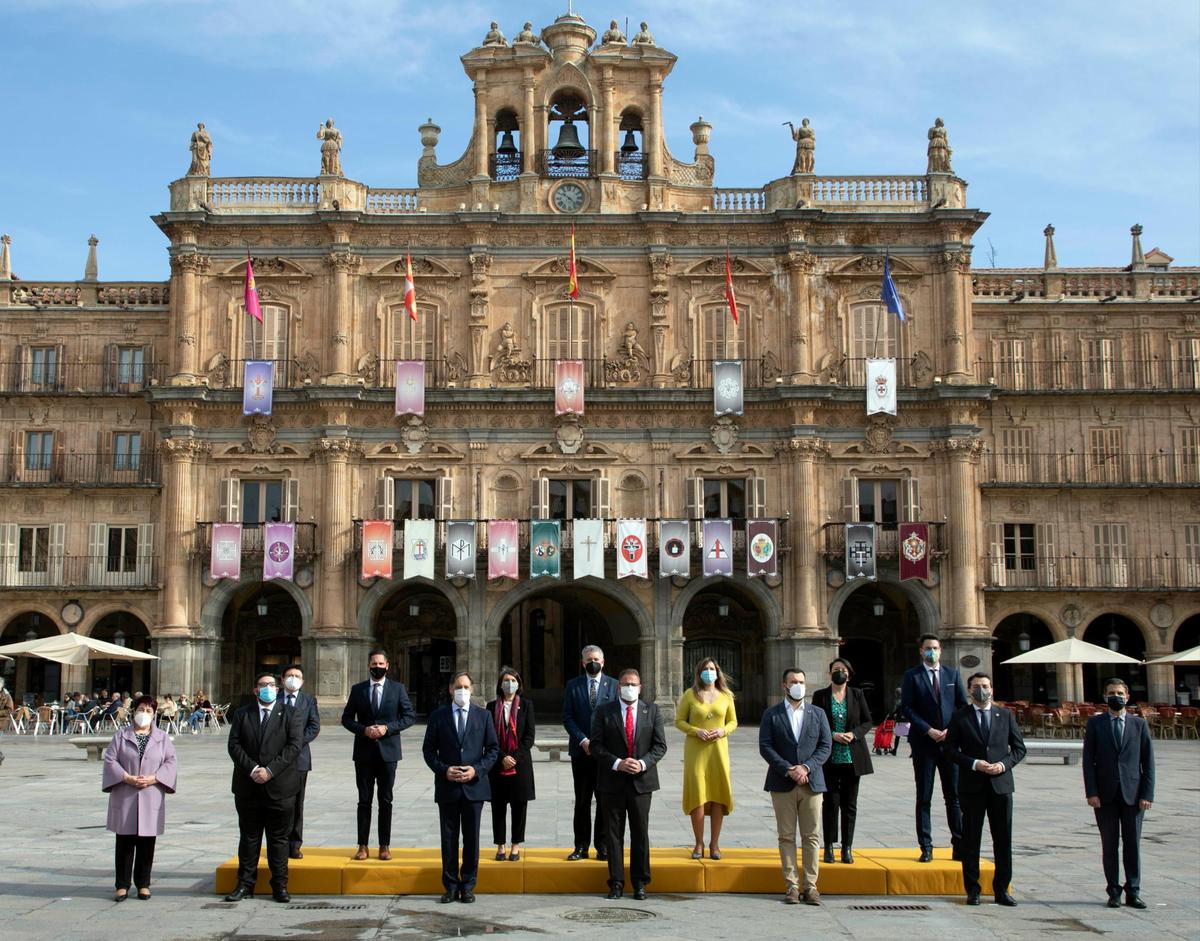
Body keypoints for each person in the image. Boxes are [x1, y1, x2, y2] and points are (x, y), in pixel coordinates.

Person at [945, 672, 1026, 906]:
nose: (982, 689)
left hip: (1001, 786)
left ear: (992, 689)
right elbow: (950, 750)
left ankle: (1001, 889)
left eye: (985, 685)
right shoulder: (960, 717)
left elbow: (1019, 749)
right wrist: (973, 763)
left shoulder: (1005, 715)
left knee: (1003, 839)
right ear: (969, 691)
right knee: (971, 840)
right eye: (977, 686)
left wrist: (1003, 765)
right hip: (972, 785)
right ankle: (973, 889)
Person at [224, 673, 305, 904]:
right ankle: (244, 884)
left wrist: (270, 771)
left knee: (279, 839)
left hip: (280, 787)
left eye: (271, 684)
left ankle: (279, 885)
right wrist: (253, 769)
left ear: (278, 689)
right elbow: (234, 745)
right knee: (249, 837)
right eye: (262, 685)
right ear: (255, 690)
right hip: (247, 786)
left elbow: (294, 746)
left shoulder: (291, 714)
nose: (267, 688)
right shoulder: (242, 714)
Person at [589, 668, 667, 901]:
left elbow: (660, 746)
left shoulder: (651, 711)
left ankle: (640, 882)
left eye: (633, 684)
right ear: (618, 687)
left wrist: (642, 764)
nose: (629, 688)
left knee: (640, 833)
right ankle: (616, 882)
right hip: (612, 782)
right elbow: (596, 745)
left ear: (640, 687)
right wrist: (617, 763)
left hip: (641, 783)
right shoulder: (604, 711)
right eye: (625, 684)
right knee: (613, 835)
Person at [422, 672, 499, 904]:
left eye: (466, 686)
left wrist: (477, 770)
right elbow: (428, 751)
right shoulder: (438, 716)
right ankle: (450, 885)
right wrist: (444, 770)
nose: (462, 690)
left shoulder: (483, 716)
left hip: (474, 787)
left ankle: (468, 885)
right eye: (458, 686)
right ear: (450, 689)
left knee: (472, 838)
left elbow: (493, 749)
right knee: (448, 838)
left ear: (472, 690)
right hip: (448, 786)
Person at [760, 668, 831, 906]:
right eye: (793, 682)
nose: (798, 685)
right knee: (786, 836)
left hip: (811, 782)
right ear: (784, 686)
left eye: (801, 681)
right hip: (782, 782)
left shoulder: (818, 713)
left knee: (811, 836)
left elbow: (825, 746)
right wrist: (788, 769)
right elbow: (766, 746)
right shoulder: (772, 714)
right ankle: (791, 886)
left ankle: (811, 886)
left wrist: (806, 767)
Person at [1083, 677, 1155, 909]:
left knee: (1132, 844)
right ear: (1105, 697)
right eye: (1112, 693)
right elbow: (1088, 761)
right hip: (1105, 795)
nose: (1117, 697)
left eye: (1120, 693)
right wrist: (1091, 792)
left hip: (1133, 794)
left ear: (1127, 697)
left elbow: (1148, 762)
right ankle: (1113, 890)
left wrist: (1148, 794)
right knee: (1109, 844)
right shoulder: (1095, 724)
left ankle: (1133, 891)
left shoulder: (1139, 724)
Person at [341, 648, 416, 860]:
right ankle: (362, 845)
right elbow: (346, 718)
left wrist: (387, 728)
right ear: (368, 666)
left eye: (381, 664)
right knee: (364, 800)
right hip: (364, 753)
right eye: (374, 664)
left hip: (388, 753)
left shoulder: (398, 689)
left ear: (387, 666)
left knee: (386, 800)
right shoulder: (358, 690)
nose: (377, 667)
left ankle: (384, 845)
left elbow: (409, 717)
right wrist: (363, 730)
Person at [101, 696, 177, 901]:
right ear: (134, 711)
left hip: (150, 792)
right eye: (141, 709)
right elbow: (110, 760)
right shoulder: (121, 735)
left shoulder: (162, 737)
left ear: (154, 714)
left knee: (146, 842)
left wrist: (154, 778)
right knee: (124, 841)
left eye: (149, 711)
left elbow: (171, 762)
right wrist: (126, 777)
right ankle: (122, 885)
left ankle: (143, 884)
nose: (144, 713)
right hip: (125, 791)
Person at [900, 633, 967, 862]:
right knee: (924, 797)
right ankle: (926, 846)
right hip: (924, 744)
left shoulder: (952, 674)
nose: (932, 651)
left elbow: (962, 705)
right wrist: (928, 729)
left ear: (941, 650)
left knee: (954, 797)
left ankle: (959, 843)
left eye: (936, 648)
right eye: (928, 648)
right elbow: (907, 708)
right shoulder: (912, 676)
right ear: (921, 651)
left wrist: (951, 730)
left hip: (949, 744)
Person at [674, 658, 737, 859]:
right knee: (698, 795)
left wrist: (722, 731)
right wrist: (695, 731)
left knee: (717, 795)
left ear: (718, 672)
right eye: (705, 669)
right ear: (699, 672)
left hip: (718, 750)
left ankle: (715, 844)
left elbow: (733, 722)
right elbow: (679, 721)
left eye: (712, 669)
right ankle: (698, 843)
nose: (709, 672)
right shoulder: (689, 695)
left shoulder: (726, 696)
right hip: (696, 751)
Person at [812, 657, 874, 864]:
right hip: (829, 757)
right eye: (836, 669)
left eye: (843, 669)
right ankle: (828, 846)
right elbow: (814, 723)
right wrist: (832, 734)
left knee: (850, 804)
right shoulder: (820, 696)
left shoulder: (857, 694)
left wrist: (853, 734)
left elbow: (867, 721)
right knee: (830, 802)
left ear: (849, 673)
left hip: (852, 756)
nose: (840, 672)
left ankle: (847, 847)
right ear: (830, 673)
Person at [562, 644, 618, 860]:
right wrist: (583, 740)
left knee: (604, 799)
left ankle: (602, 845)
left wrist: (601, 744)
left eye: (596, 659)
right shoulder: (573, 686)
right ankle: (581, 846)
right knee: (582, 800)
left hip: (604, 754)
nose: (592, 662)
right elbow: (567, 717)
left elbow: (615, 717)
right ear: (582, 663)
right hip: (581, 751)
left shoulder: (613, 685)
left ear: (603, 662)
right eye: (588, 660)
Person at [486, 666, 536, 862]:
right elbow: (488, 736)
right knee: (498, 806)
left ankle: (516, 845)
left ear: (519, 684)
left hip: (520, 764)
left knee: (519, 806)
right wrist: (502, 757)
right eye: (506, 680)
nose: (510, 684)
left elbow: (529, 736)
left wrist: (514, 757)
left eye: (513, 680)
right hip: (498, 764)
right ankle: (500, 845)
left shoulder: (526, 705)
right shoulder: (491, 707)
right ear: (500, 684)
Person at [281, 664, 320, 859]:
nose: (293, 678)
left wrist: (296, 744)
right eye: (289, 675)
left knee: (297, 803)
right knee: (278, 803)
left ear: (303, 681)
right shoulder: (274, 699)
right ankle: (279, 842)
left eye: (297, 676)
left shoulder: (308, 700)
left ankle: (295, 843)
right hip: (276, 759)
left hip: (300, 759)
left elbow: (314, 726)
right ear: (282, 680)